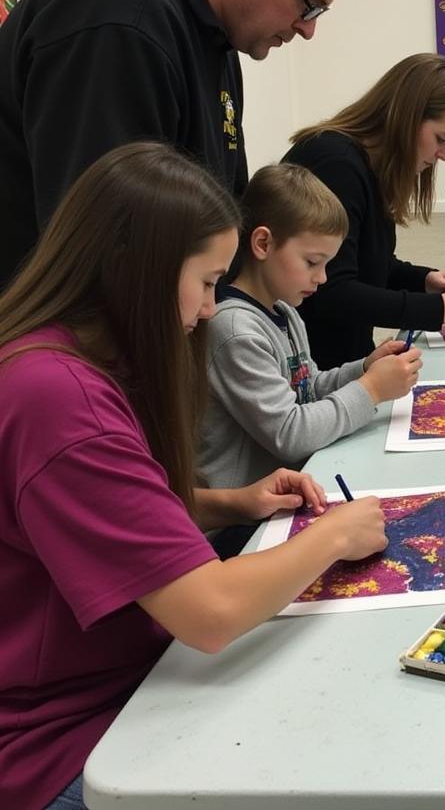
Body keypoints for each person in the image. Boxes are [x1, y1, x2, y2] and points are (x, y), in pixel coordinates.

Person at [0, 143, 388, 810]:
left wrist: (230, 502)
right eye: (208, 282)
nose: (211, 309)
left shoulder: (60, 355)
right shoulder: (61, 400)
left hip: (119, 684)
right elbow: (210, 614)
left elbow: (112, 521)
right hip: (63, 741)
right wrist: (332, 536)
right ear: (139, 272)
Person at [0, 0, 356, 288]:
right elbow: (105, 244)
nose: (307, 30)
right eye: (308, 6)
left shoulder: (213, 38)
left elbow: (221, 205)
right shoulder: (121, 20)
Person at [201, 163, 422, 492]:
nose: (322, 278)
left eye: (326, 265)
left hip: (290, 488)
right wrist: (371, 389)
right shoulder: (235, 331)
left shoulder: (285, 311)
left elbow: (308, 389)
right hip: (243, 521)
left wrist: (363, 369)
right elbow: (289, 433)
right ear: (263, 244)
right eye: (312, 262)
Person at [284, 54, 445, 368]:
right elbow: (332, 291)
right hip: (311, 375)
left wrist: (423, 279)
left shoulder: (367, 167)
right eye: (441, 139)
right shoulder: (335, 164)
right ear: (407, 117)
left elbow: (369, 263)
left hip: (343, 362)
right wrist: (438, 309)